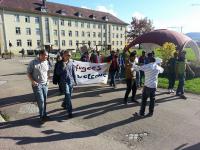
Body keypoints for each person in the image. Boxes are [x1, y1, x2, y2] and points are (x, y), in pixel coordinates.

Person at [27, 50, 50, 123]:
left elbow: (48, 71)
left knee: (45, 100)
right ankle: (41, 116)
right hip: (37, 85)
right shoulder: (33, 62)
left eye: (47, 55)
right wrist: (32, 81)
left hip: (45, 84)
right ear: (40, 55)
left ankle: (44, 114)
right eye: (44, 55)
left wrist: (48, 79)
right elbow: (28, 73)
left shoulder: (46, 62)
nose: (46, 57)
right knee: (41, 101)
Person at [56, 50, 77, 118]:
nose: (69, 56)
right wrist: (63, 67)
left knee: (69, 96)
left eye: (70, 55)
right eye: (68, 55)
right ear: (64, 55)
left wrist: (75, 81)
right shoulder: (59, 63)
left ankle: (64, 104)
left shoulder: (71, 63)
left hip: (70, 81)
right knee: (68, 95)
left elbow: (73, 72)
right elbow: (57, 73)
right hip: (64, 82)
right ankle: (70, 112)